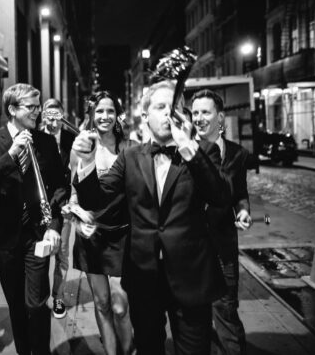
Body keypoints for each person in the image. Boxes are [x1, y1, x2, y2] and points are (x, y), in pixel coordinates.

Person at [72, 80, 230, 354]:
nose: (169, 114)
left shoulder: (203, 151)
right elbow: (97, 201)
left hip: (191, 277)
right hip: (144, 277)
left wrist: (190, 151)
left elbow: (220, 197)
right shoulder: (130, 157)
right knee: (148, 347)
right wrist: (86, 162)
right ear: (145, 116)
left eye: (176, 108)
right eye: (161, 107)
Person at [0, 83, 67, 355]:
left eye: (39, 106)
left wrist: (54, 226)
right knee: (16, 304)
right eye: (31, 106)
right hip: (6, 236)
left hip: (38, 234)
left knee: (36, 304)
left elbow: (60, 187)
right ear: (12, 109)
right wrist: (11, 155)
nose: (38, 112)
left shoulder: (46, 142)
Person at [66, 91, 135, 355]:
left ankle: (128, 350)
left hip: (121, 235)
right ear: (92, 116)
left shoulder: (128, 148)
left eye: (110, 111)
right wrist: (74, 210)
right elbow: (74, 192)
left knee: (120, 306)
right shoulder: (80, 148)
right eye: (100, 111)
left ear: (117, 115)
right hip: (92, 237)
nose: (105, 116)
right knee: (102, 303)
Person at [191, 89, 252, 355]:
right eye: (195, 112)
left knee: (226, 311)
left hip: (223, 246)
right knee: (195, 320)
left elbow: (240, 192)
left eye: (205, 112)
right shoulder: (185, 151)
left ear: (220, 117)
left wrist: (243, 211)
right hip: (192, 250)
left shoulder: (237, 154)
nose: (199, 118)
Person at [40, 98, 75, 319]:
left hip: (64, 206)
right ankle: (39, 296)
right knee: (40, 254)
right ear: (43, 115)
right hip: (40, 207)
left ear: (62, 115)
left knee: (62, 256)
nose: (52, 120)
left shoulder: (73, 139)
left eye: (56, 115)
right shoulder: (34, 137)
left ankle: (58, 297)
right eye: (48, 114)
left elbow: (79, 173)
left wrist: (73, 201)